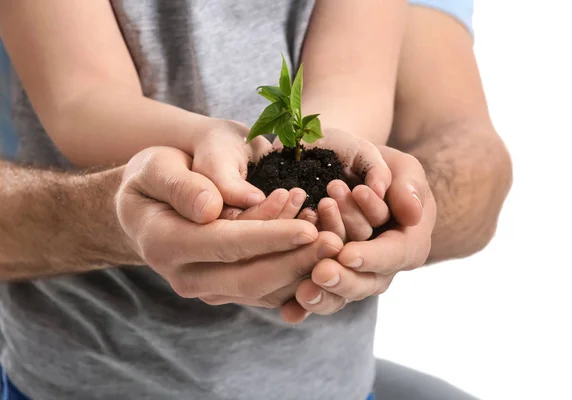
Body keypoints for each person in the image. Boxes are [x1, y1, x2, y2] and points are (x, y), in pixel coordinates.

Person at [0, 1, 512, 400]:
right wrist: (210, 141)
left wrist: (330, 152)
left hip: (316, 378)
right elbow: (83, 99)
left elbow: (353, 79)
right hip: (86, 370)